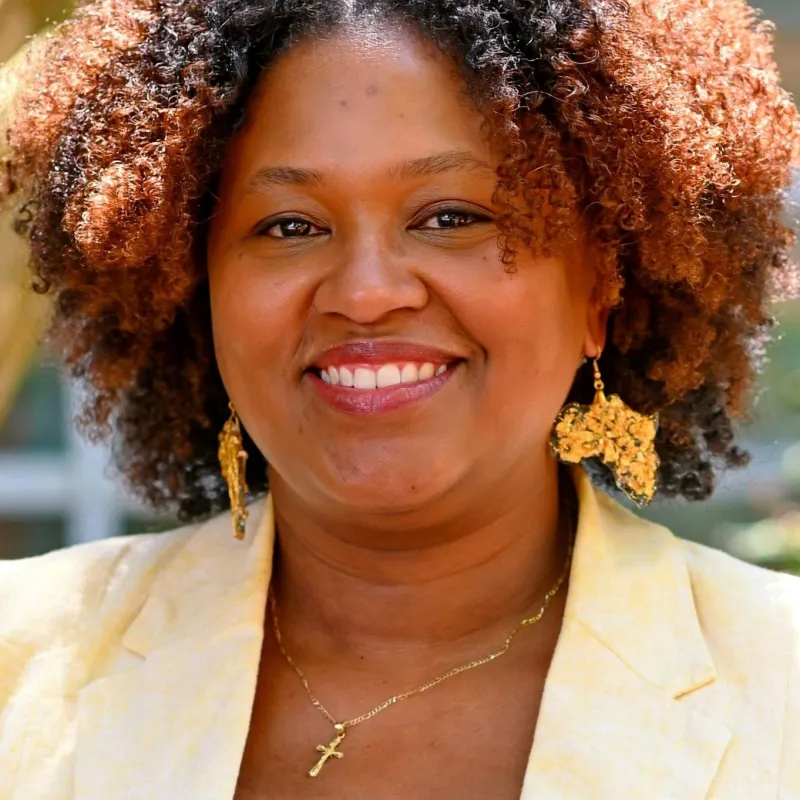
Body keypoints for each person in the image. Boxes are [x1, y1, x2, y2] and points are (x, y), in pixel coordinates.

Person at [1, 0, 799, 797]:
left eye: (451, 217)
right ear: (191, 288)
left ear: (601, 294)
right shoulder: (20, 664)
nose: (367, 293)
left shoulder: (779, 680)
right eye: (288, 226)